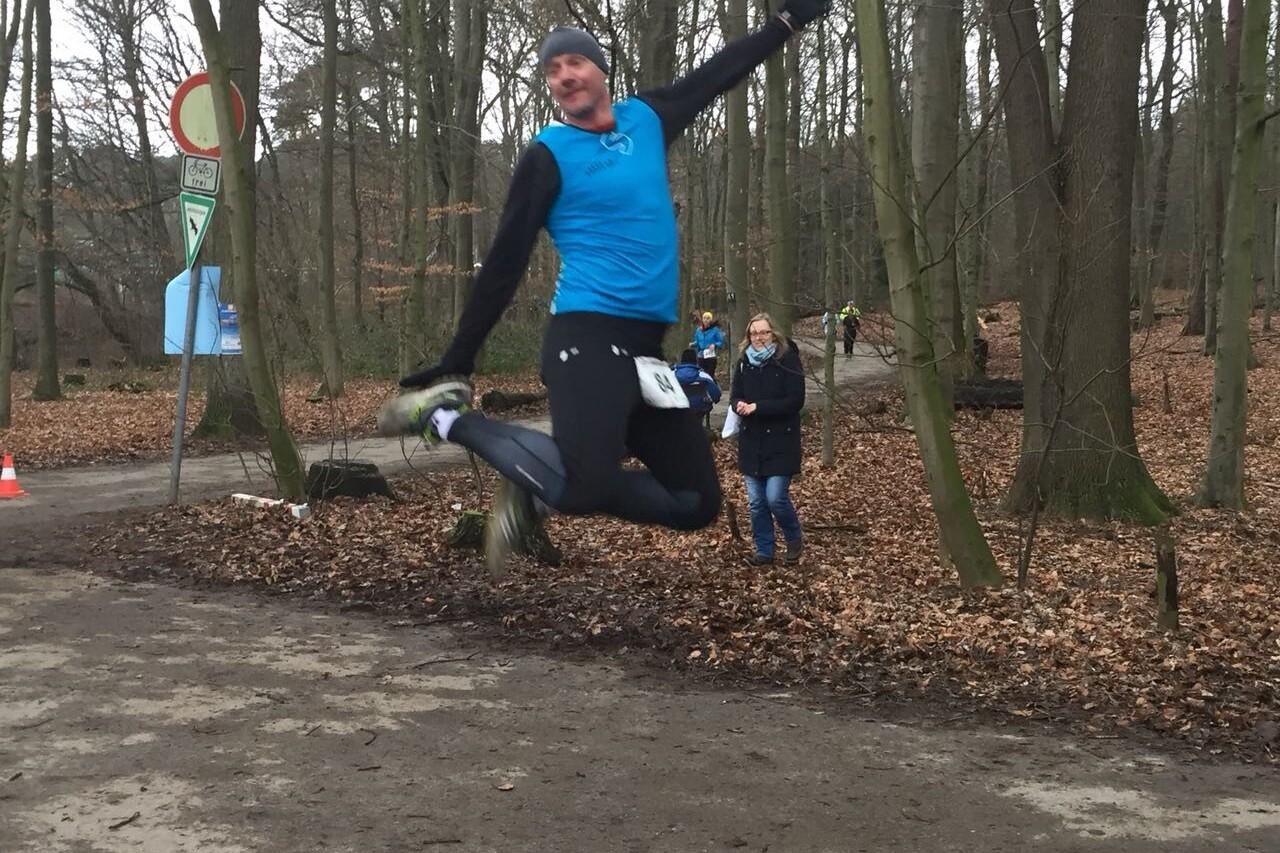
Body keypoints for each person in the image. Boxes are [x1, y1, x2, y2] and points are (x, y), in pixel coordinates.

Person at [377, 2, 830, 576]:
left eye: (574, 63)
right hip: (586, 334)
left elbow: (719, 72)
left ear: (600, 69)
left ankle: (531, 482)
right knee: (581, 485)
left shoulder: (648, 119)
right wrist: (459, 359)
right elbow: (504, 263)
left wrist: (786, 23)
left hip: (645, 353)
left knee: (696, 503)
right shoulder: (548, 156)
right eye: (552, 70)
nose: (564, 76)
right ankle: (443, 419)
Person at [730, 312, 805, 566]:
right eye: (754, 333)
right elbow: (735, 394)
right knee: (756, 503)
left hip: (781, 442)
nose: (758, 337)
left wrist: (758, 407)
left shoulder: (787, 359)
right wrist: (739, 405)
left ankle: (794, 537)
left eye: (763, 332)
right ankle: (764, 551)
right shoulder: (744, 362)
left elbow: (795, 400)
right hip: (752, 442)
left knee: (775, 498)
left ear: (773, 333)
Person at [675, 347, 721, 430]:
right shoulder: (703, 375)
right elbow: (716, 396)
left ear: (681, 360)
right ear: (696, 361)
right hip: (698, 410)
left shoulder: (671, 375)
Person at [691, 311, 726, 380]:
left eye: (708, 318)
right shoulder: (698, 330)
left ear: (711, 320)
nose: (706, 320)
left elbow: (721, 341)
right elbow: (697, 341)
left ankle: (710, 385)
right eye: (704, 318)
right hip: (701, 355)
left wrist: (714, 345)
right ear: (702, 319)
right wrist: (693, 344)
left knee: (709, 375)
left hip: (710, 355)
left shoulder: (715, 330)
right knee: (701, 374)